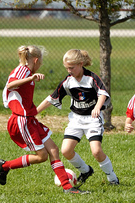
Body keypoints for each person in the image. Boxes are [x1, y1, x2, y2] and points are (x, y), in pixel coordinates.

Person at [0, 45, 88, 194]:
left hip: (30, 119)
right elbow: (10, 85)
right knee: (42, 156)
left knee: (53, 150)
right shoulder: (23, 70)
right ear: (36, 60)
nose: (40, 67)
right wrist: (30, 78)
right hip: (22, 120)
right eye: (40, 64)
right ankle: (5, 166)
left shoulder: (26, 71)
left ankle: (68, 188)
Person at [37, 49, 119, 186]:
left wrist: (98, 107)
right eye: (67, 68)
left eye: (71, 67)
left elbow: (103, 93)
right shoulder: (68, 81)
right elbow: (51, 98)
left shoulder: (91, 78)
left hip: (92, 119)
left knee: (97, 151)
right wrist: (34, 112)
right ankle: (86, 171)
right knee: (66, 151)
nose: (69, 70)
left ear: (81, 64)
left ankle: (112, 178)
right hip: (76, 119)